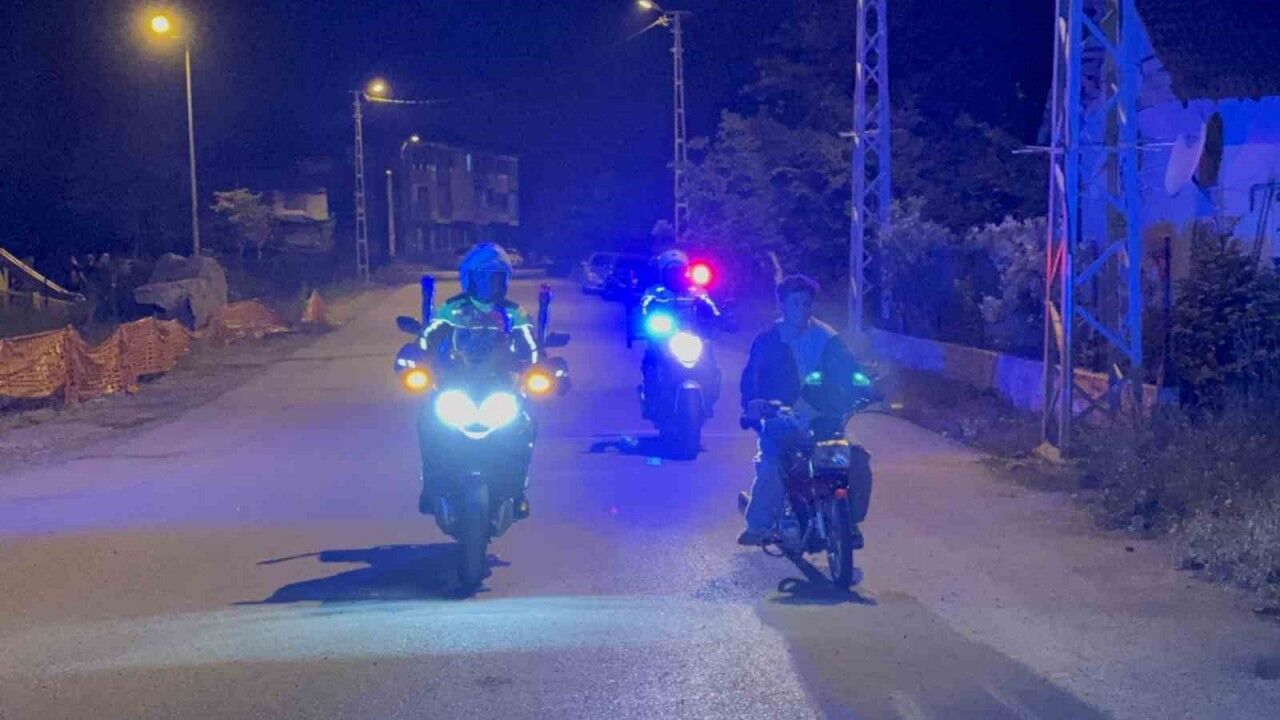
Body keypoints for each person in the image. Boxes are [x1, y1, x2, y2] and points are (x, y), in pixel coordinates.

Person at [737, 274, 874, 546]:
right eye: (795, 303)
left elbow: (849, 367)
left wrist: (867, 386)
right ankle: (759, 525)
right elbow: (751, 381)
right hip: (781, 419)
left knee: (856, 460)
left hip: (824, 420)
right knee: (773, 465)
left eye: (806, 303)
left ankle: (849, 523)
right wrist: (754, 403)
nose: (801, 309)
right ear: (782, 305)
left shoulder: (826, 336)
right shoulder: (767, 340)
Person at [417, 243, 538, 516]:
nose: (488, 283)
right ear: (469, 278)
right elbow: (427, 337)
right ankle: (432, 486)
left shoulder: (514, 313)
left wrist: (540, 367)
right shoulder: (451, 309)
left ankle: (517, 489)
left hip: (502, 383)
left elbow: (530, 345)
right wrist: (415, 358)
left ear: (504, 281)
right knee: (428, 422)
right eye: (482, 276)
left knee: (526, 424)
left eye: (495, 277)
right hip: (457, 381)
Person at [637, 249, 722, 419]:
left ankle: (709, 396)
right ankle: (650, 397)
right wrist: (646, 318)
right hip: (663, 338)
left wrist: (718, 317)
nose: (675, 274)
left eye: (679, 270)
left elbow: (712, 308)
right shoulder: (655, 292)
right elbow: (643, 308)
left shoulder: (697, 291)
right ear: (662, 272)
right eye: (670, 270)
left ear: (686, 270)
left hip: (693, 336)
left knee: (710, 361)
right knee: (650, 359)